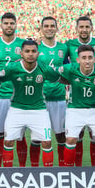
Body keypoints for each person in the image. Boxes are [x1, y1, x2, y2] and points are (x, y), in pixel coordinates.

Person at [0, 40, 60, 167]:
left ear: (38, 53)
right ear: (21, 53)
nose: (30, 54)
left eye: (33, 51)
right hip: (16, 109)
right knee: (8, 142)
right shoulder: (12, 68)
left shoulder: (45, 68)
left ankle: (44, 175)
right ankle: (6, 174)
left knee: (47, 143)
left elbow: (58, 78)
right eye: (27, 51)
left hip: (39, 110)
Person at [59, 45, 95, 167]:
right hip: (75, 110)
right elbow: (54, 74)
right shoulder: (70, 69)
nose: (87, 60)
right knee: (70, 140)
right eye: (84, 57)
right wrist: (67, 81)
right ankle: (68, 172)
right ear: (78, 60)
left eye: (90, 57)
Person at [66, 16, 95, 166]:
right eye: (81, 27)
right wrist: (69, 80)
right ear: (76, 28)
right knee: (74, 138)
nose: (84, 29)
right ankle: (73, 170)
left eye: (87, 27)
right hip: (75, 102)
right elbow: (61, 68)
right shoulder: (69, 44)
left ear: (91, 28)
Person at [0, 13, 27, 167]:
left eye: (11, 23)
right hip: (0, 96)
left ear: (16, 25)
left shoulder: (24, 44)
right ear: (1, 25)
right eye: (6, 23)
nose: (9, 26)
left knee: (20, 136)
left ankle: (21, 168)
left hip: (19, 96)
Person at [33, 16, 68, 166]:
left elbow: (69, 69)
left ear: (56, 28)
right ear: (41, 29)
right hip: (39, 100)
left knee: (61, 136)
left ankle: (62, 168)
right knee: (36, 138)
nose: (49, 28)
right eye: (46, 26)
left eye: (52, 26)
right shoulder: (35, 48)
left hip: (59, 99)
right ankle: (35, 169)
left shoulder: (63, 48)